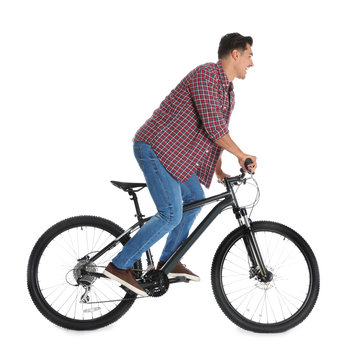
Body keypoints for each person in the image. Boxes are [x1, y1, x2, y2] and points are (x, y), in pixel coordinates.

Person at [104, 32, 257, 296]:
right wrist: (241, 154)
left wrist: (219, 169)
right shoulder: (207, 75)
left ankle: (169, 261)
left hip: (173, 156)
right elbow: (213, 126)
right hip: (155, 146)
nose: (252, 63)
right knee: (171, 213)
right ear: (235, 54)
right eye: (250, 55)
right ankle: (120, 265)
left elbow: (216, 134)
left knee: (195, 198)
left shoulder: (228, 92)